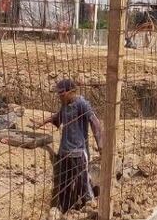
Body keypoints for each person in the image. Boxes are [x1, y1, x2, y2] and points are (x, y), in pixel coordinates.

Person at [34, 78, 104, 212]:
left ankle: (90, 207)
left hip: (78, 153)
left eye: (62, 94)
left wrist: (100, 146)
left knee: (83, 182)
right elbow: (57, 117)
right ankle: (64, 210)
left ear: (71, 91)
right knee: (64, 183)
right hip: (64, 152)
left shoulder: (82, 103)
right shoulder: (65, 105)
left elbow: (95, 123)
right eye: (58, 94)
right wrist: (42, 122)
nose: (59, 97)